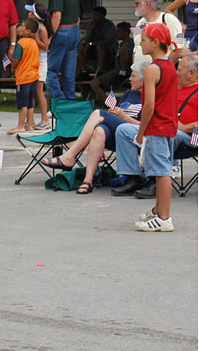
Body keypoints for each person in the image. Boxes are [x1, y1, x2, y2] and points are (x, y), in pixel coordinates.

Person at [41, 60, 148, 194]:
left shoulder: (148, 97)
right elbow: (119, 113)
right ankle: (88, 180)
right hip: (119, 135)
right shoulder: (128, 94)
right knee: (99, 130)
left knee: (97, 113)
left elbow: (146, 127)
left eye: (134, 76)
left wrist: (125, 117)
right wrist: (116, 114)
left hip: (134, 135)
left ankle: (69, 156)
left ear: (144, 80)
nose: (130, 79)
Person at [111, 24, 177, 232]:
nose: (141, 43)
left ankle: (164, 217)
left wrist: (141, 133)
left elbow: (149, 105)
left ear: (156, 43)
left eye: (145, 39)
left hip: (157, 126)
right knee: (160, 170)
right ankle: (158, 210)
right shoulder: (169, 67)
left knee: (161, 172)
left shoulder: (151, 69)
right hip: (168, 124)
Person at [45, 0, 81, 99]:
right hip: (74, 32)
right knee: (69, 73)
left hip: (62, 32)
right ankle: (71, 102)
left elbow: (57, 17)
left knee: (51, 72)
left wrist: (49, 36)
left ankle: (60, 101)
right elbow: (78, 19)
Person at [131, 0, 183, 64]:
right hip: (140, 74)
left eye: (137, 3)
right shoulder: (140, 23)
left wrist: (160, 69)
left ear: (147, 4)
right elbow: (136, 49)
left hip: (159, 73)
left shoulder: (170, 20)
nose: (135, 5)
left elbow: (178, 50)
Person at [7, 18, 40, 134]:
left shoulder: (21, 43)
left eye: (22, 26)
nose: (19, 28)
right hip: (34, 76)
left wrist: (12, 67)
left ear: (28, 31)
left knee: (22, 103)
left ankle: (20, 126)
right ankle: (29, 125)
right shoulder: (34, 43)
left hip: (24, 77)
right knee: (30, 102)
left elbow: (16, 58)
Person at [89, 21, 133, 104]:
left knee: (94, 83)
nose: (117, 34)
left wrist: (122, 71)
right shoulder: (120, 44)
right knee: (95, 83)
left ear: (126, 32)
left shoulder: (129, 44)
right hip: (115, 67)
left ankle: (112, 105)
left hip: (123, 70)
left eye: (119, 31)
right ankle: (111, 103)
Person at [26, 3, 51, 128]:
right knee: (31, 90)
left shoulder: (41, 28)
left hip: (40, 62)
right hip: (32, 61)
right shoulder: (33, 27)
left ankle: (45, 119)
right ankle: (30, 120)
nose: (28, 13)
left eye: (30, 12)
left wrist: (34, 38)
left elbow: (46, 46)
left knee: (38, 90)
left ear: (34, 15)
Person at [77, 6, 117, 78]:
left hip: (108, 48)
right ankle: (84, 72)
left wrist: (90, 44)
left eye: (96, 15)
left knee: (100, 47)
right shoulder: (92, 24)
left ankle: (100, 71)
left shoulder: (109, 25)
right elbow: (86, 40)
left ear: (102, 16)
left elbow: (106, 40)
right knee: (81, 47)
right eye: (93, 14)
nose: (93, 17)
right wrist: (91, 30)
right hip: (94, 48)